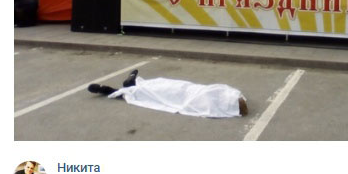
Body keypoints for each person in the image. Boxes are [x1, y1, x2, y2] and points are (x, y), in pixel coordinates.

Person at [88, 69, 248, 118]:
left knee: (158, 90)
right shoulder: (227, 99)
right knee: (158, 88)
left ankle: (121, 87)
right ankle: (128, 85)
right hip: (187, 90)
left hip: (187, 93)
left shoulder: (228, 97)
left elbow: (202, 103)